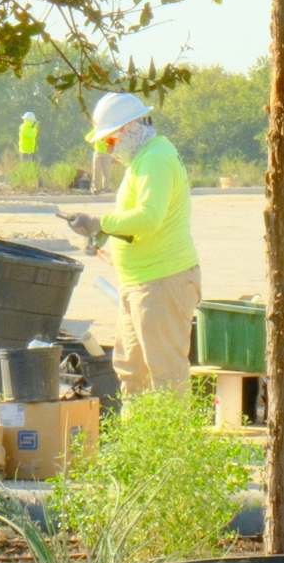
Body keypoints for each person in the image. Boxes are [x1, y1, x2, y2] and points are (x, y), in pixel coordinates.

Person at [65, 92, 201, 396]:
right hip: (141, 282)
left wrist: (100, 223)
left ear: (130, 129)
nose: (109, 152)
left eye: (109, 142)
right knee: (131, 371)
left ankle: (172, 443)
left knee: (166, 375)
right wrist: (105, 234)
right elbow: (136, 219)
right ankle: (137, 441)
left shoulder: (156, 159)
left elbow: (150, 217)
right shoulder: (144, 159)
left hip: (162, 281)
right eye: (103, 145)